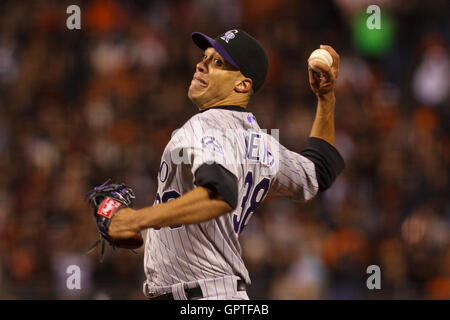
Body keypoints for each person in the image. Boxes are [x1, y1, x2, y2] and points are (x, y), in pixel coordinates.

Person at [106, 28, 345, 300]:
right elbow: (318, 172)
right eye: (204, 58)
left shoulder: (204, 125)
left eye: (217, 63)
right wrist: (326, 99)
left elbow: (220, 194)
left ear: (242, 85)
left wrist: (136, 219)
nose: (201, 65)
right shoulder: (263, 143)